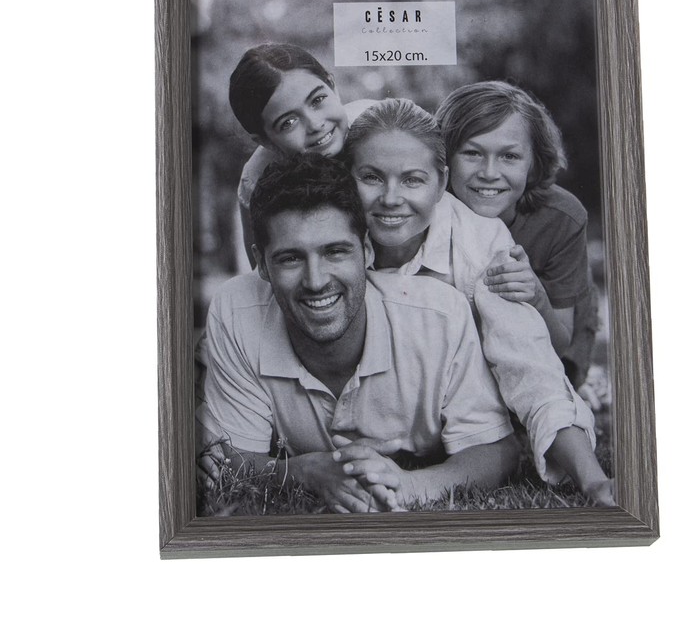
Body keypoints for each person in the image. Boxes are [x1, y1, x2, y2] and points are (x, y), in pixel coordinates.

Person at [197, 153, 518, 513]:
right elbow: (233, 455)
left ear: (365, 251)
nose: (316, 281)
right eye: (291, 258)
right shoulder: (237, 309)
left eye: (335, 252)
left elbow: (496, 450)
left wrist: (410, 485)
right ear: (262, 264)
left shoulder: (440, 315)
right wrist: (303, 471)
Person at [343, 98, 614, 505]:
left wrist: (592, 480)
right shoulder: (331, 234)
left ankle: (585, 389)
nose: (391, 198)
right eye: (371, 178)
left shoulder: (483, 243)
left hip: (467, 421)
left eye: (413, 180)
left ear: (441, 182)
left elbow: (531, 364)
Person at [435, 81, 599, 393]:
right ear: (444, 157)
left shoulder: (561, 218)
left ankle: (584, 382)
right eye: (472, 153)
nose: (489, 172)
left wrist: (537, 295)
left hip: (554, 340)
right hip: (463, 350)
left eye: (509, 156)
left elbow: (560, 342)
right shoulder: (428, 210)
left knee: (556, 384)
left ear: (533, 164)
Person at [228, 42, 376, 265]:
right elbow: (264, 271)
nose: (315, 124)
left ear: (333, 87)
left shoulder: (381, 128)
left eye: (317, 100)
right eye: (288, 123)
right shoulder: (257, 180)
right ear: (266, 141)